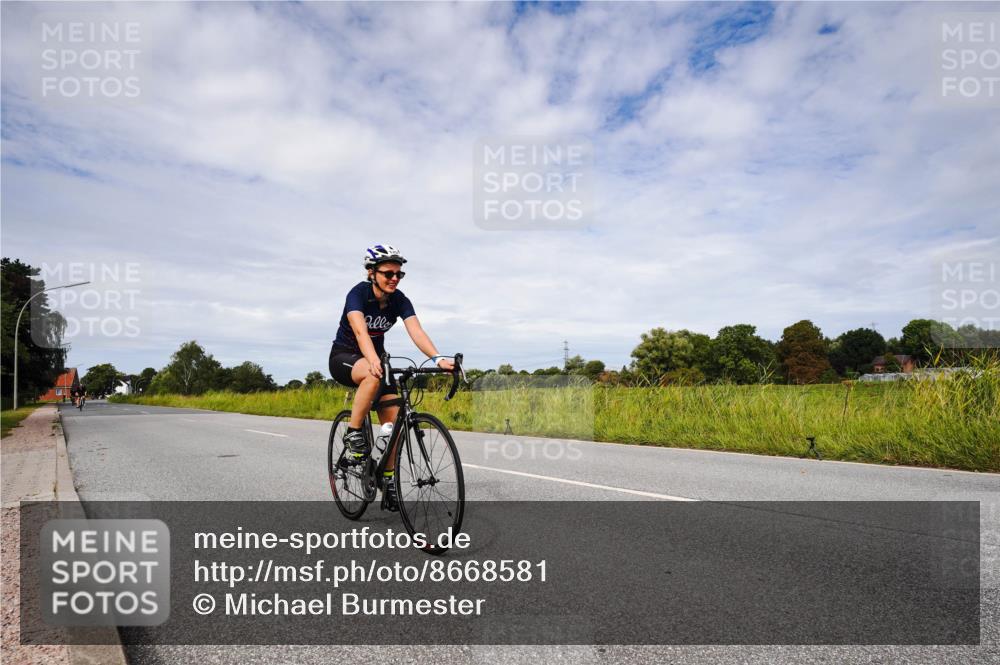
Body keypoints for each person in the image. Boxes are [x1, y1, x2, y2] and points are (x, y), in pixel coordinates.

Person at [328, 244, 453, 511]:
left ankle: (388, 479)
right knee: (372, 374)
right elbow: (360, 332)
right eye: (388, 273)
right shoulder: (358, 294)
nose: (395, 278)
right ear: (372, 273)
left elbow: (416, 331)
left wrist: (438, 359)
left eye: (399, 274)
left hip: (376, 360)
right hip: (345, 357)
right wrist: (373, 360)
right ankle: (353, 434)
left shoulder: (399, 300)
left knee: (393, 424)